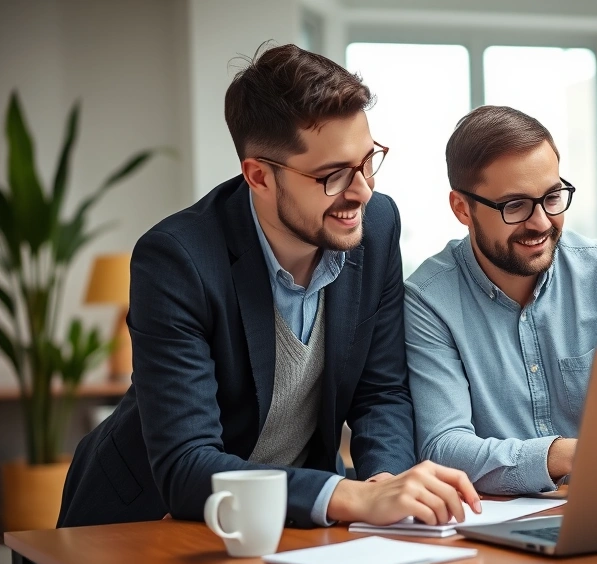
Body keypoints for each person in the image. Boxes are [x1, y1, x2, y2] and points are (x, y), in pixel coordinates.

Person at [58, 43, 479, 529]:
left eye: (368, 162)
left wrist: (386, 484)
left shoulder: (377, 225)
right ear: (258, 176)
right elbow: (187, 465)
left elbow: (379, 392)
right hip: (146, 523)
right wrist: (349, 497)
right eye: (333, 175)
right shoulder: (176, 259)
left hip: (292, 516)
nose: (362, 190)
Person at [405, 105, 597, 495]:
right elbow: (444, 448)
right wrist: (567, 456)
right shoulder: (428, 300)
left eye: (552, 196)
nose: (542, 222)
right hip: (498, 526)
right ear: (463, 208)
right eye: (515, 205)